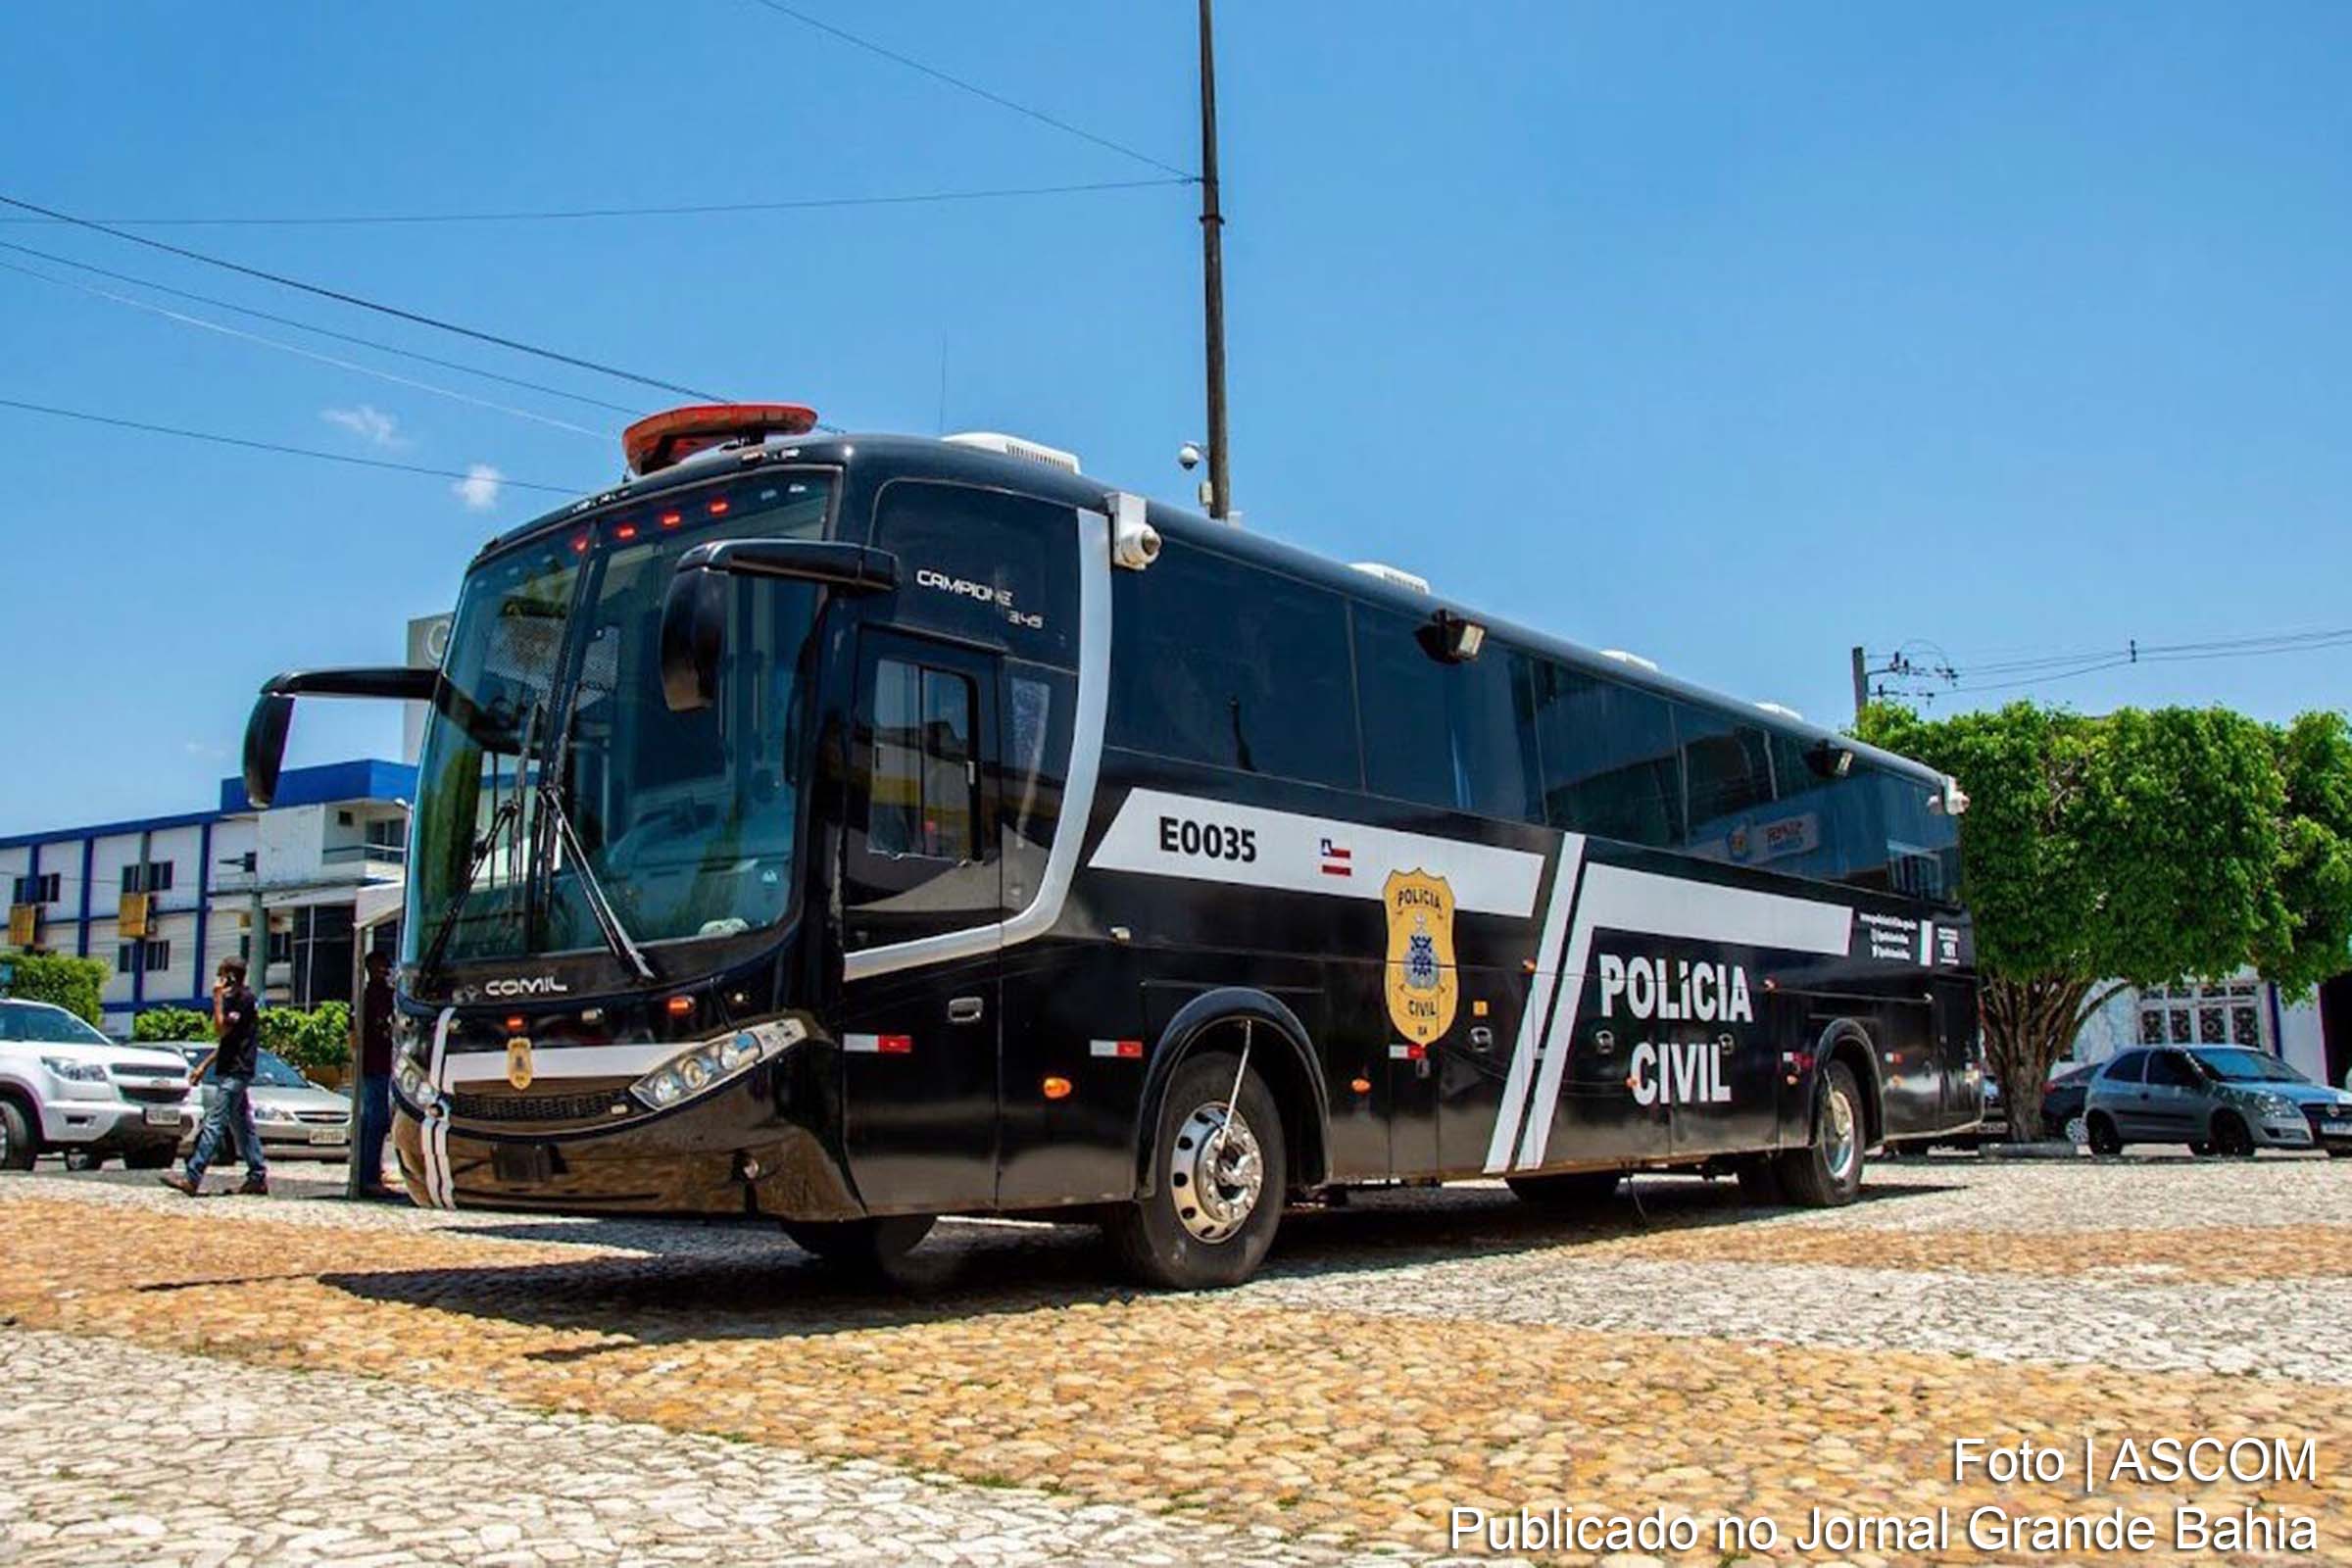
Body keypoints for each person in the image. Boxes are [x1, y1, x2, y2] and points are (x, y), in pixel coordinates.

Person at [161, 956, 269, 1197]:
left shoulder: (243, 1000)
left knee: (214, 1122)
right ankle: (257, 1175)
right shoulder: (236, 1000)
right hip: (230, 1067)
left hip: (237, 1071)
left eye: (221, 974)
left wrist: (217, 999)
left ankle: (193, 1176)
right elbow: (226, 1041)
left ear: (229, 976)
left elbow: (220, 1028)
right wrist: (204, 1066)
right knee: (243, 1126)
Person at [355, 949, 396, 1199]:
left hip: (376, 1066)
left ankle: (369, 1172)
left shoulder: (367, 997)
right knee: (376, 1122)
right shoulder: (377, 997)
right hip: (377, 1065)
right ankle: (369, 1177)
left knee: (372, 1121)